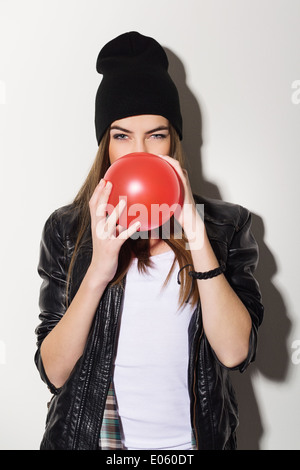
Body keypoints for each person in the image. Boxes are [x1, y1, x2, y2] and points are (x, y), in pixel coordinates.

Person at [35, 31, 264, 450]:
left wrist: (195, 233)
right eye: (122, 136)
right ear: (105, 145)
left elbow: (235, 352)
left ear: (173, 139)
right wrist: (98, 273)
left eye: (155, 134)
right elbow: (54, 372)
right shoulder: (67, 230)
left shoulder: (225, 225)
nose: (140, 151)